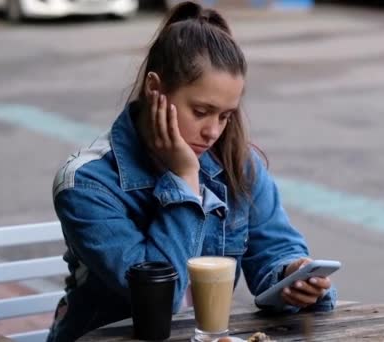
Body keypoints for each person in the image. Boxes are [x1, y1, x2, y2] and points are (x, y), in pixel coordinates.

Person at [48, 2, 336, 341]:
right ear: (155, 89)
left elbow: (274, 250)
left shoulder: (235, 163)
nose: (213, 131)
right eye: (201, 111)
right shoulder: (87, 184)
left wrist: (292, 276)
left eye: (225, 115)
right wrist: (185, 179)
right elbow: (160, 300)